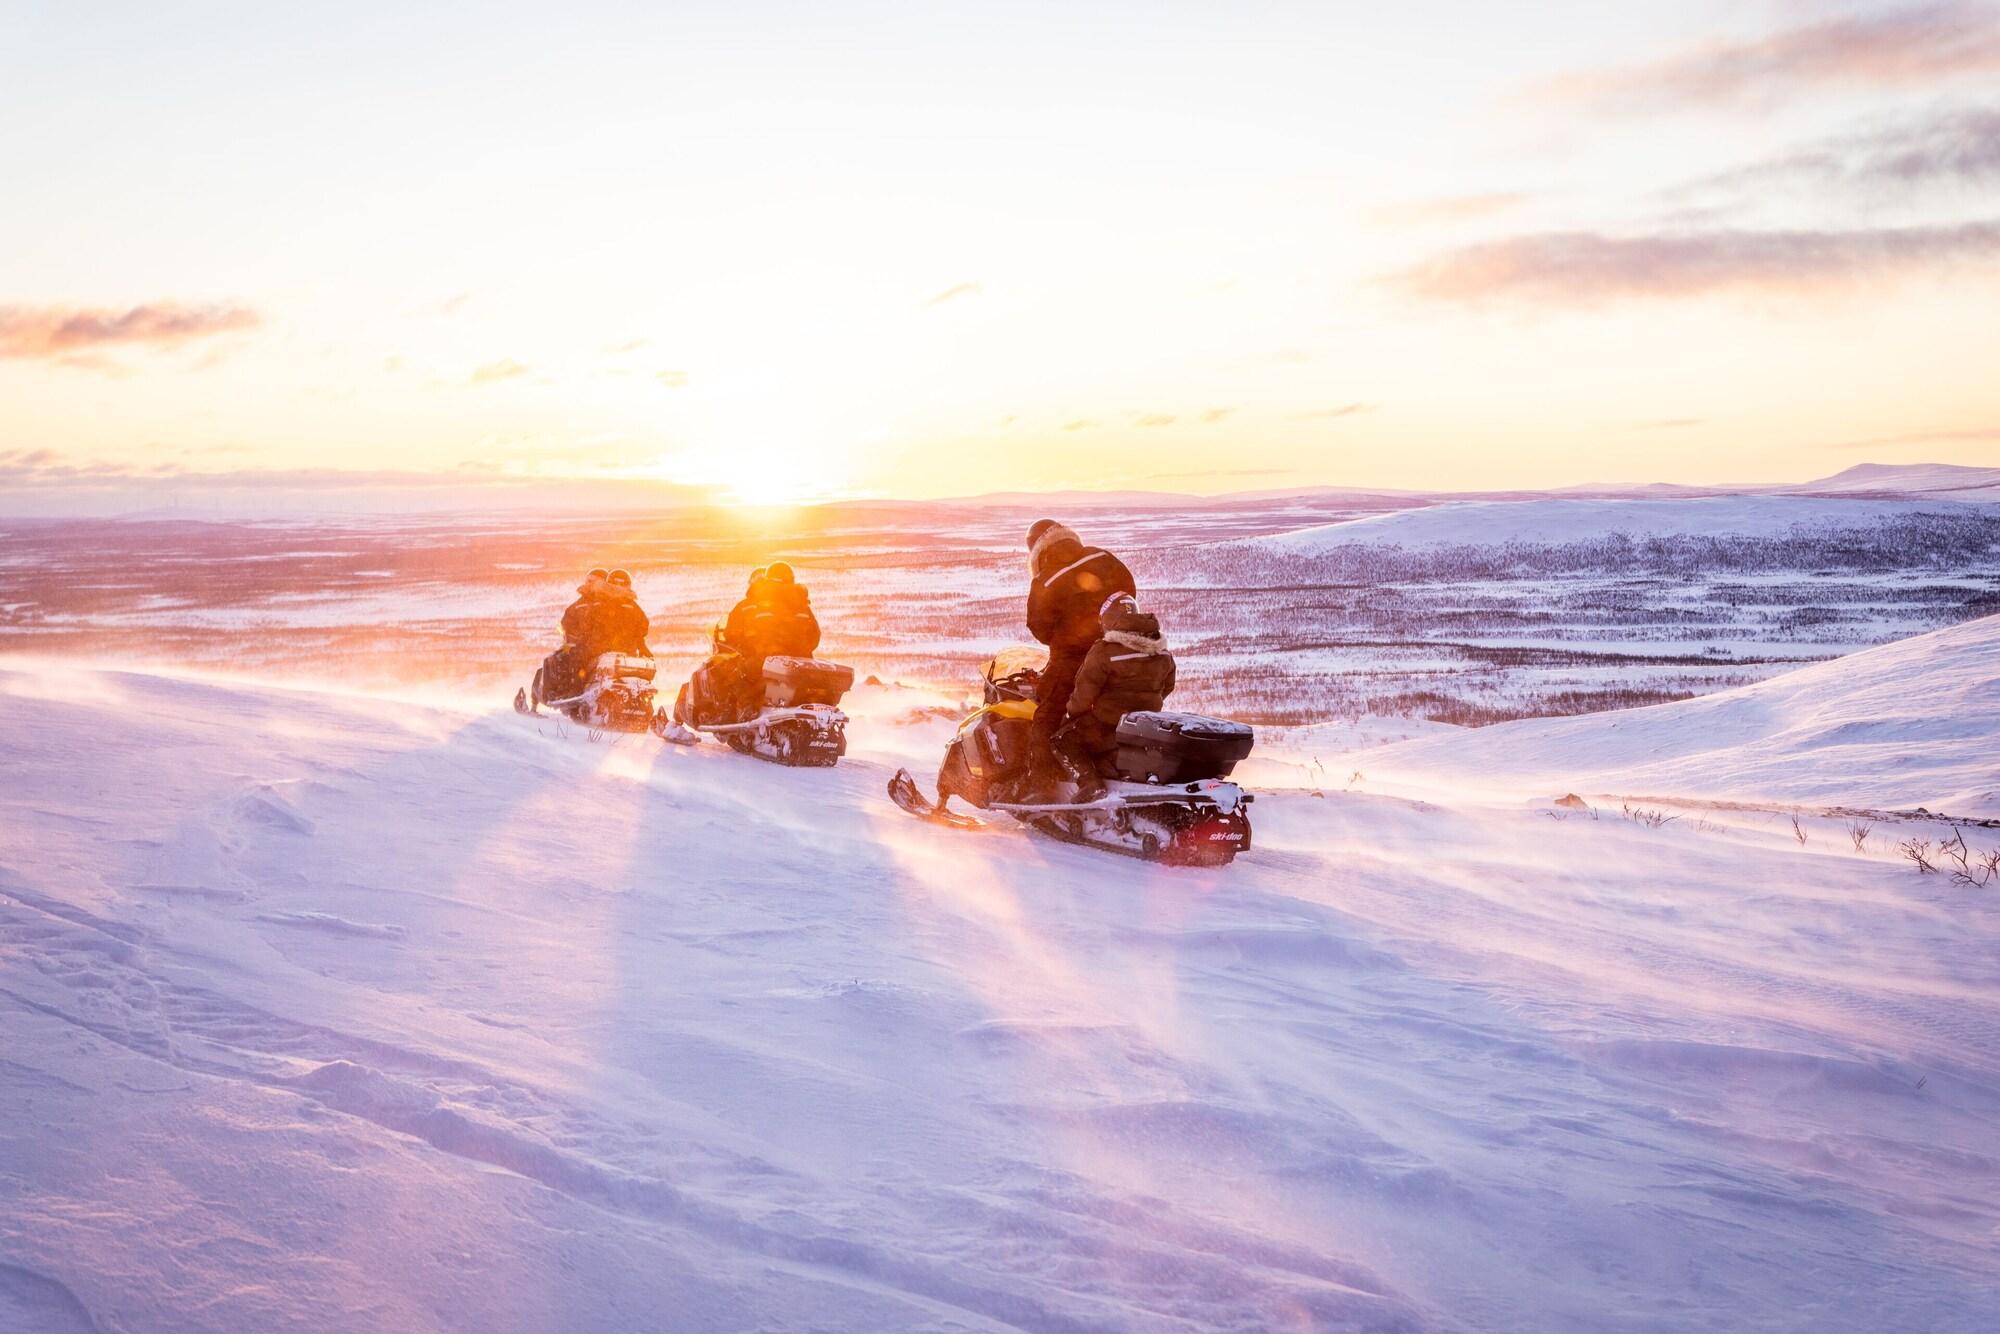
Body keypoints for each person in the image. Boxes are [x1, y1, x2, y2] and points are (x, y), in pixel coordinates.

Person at [1023, 519, 1135, 742]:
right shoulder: (1102, 556)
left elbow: (1039, 626)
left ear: (1036, 550)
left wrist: (1068, 636)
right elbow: (1128, 593)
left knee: (1045, 718)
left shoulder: (1045, 579)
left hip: (1072, 661)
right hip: (1118, 651)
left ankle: (1042, 776)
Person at [1054, 593, 1175, 795]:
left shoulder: (1104, 650)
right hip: (1144, 725)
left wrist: (1070, 715)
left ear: (1108, 619)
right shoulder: (1162, 651)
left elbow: (1084, 695)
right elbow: (1168, 687)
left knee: (1063, 739)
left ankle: (1090, 784)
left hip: (1108, 724)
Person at [679, 562, 821, 724]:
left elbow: (734, 633)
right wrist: (798, 650)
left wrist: (750, 647)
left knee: (726, 674)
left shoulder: (757, 604)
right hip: (800, 663)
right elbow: (815, 636)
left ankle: (740, 709)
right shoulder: (802, 606)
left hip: (764, 659)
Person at [537, 567, 650, 703]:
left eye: (621, 584)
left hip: (601, 647)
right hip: (623, 648)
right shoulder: (630, 606)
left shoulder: (602, 602)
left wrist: (586, 637)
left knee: (576, 658)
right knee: (574, 658)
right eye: (616, 584)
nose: (618, 587)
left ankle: (575, 691)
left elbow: (588, 623)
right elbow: (643, 627)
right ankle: (576, 690)